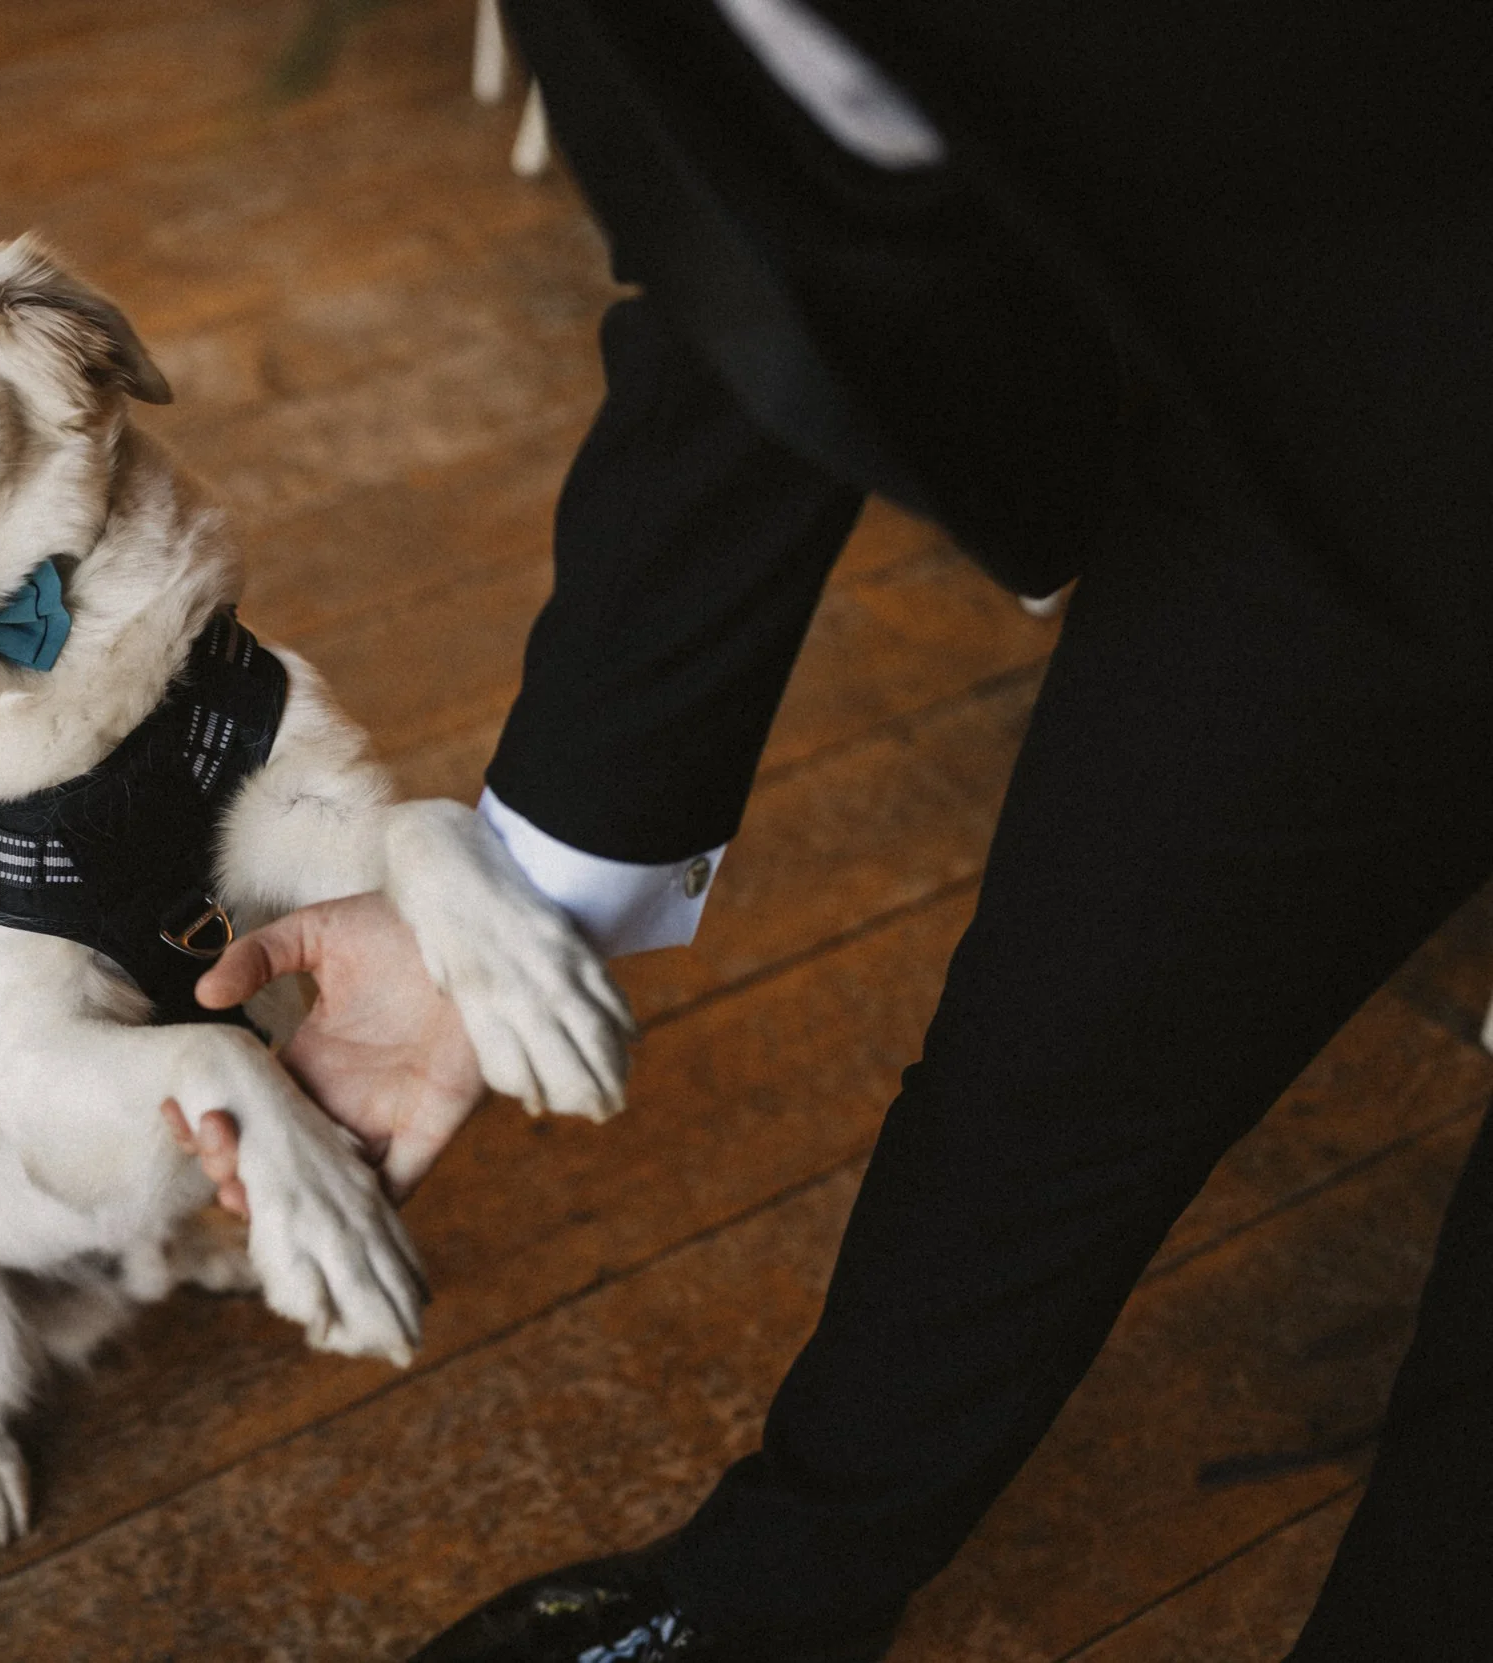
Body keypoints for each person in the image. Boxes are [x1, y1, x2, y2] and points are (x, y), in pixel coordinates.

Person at [164, 2, 1493, 1657]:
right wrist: (506, 898)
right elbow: (775, 261)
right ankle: (774, 1594)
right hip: (1339, 391)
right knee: (1050, 1064)